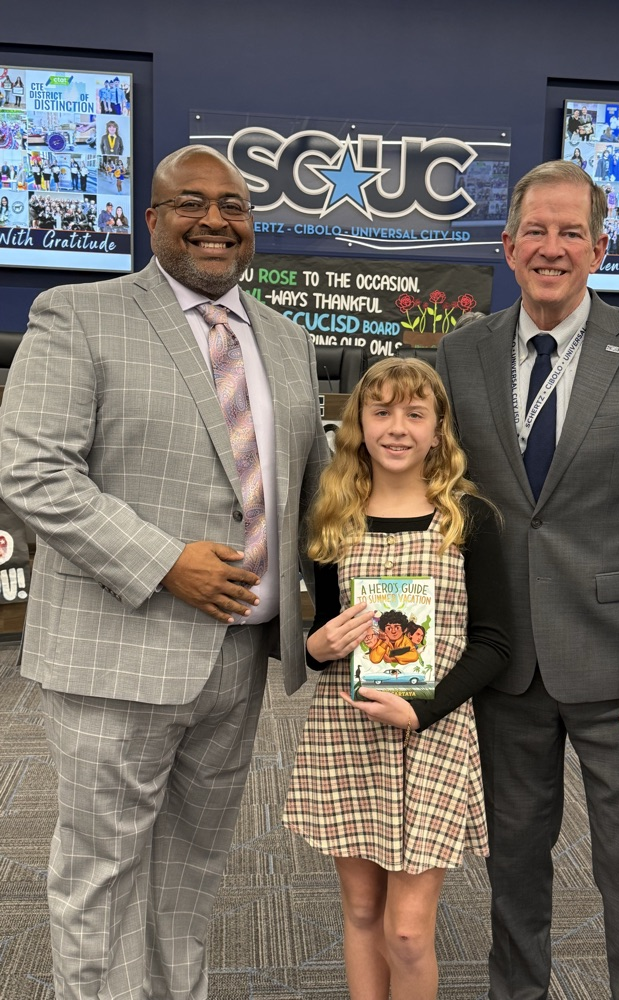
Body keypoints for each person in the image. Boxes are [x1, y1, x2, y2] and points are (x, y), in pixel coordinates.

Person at [0, 144, 329, 1000]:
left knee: (191, 870)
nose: (214, 220)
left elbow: (314, 492)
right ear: (152, 219)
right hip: (117, 651)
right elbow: (33, 471)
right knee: (101, 874)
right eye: (191, 203)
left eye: (233, 206)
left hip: (239, 661)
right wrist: (164, 562)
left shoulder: (287, 340)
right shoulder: (79, 315)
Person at [436, 160, 619, 1000]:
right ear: (508, 245)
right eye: (535, 231)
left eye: (570, 233)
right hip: (505, 661)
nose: (551, 248)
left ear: (599, 248)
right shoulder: (462, 352)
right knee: (513, 862)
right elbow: (439, 496)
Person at [283, 357, 510, 1000]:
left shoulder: (468, 518)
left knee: (408, 932)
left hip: (434, 732)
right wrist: (317, 646)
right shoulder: (334, 519)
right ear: (359, 423)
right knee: (361, 911)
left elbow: (495, 643)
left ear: (438, 430)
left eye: (415, 413)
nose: (397, 428)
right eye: (381, 412)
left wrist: (423, 709)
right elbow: (323, 633)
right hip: (348, 730)